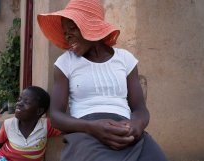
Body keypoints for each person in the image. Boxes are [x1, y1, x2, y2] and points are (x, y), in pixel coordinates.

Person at [37, 0, 168, 160]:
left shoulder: (125, 59)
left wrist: (136, 126)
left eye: (72, 28)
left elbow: (140, 109)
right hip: (85, 132)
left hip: (124, 130)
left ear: (92, 26)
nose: (67, 36)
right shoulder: (65, 63)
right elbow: (56, 116)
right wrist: (92, 127)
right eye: (65, 32)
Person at [0, 86, 61, 161]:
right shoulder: (8, 125)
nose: (18, 103)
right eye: (19, 100)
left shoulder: (46, 126)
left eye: (26, 102)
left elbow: (67, 128)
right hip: (5, 158)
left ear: (39, 111)